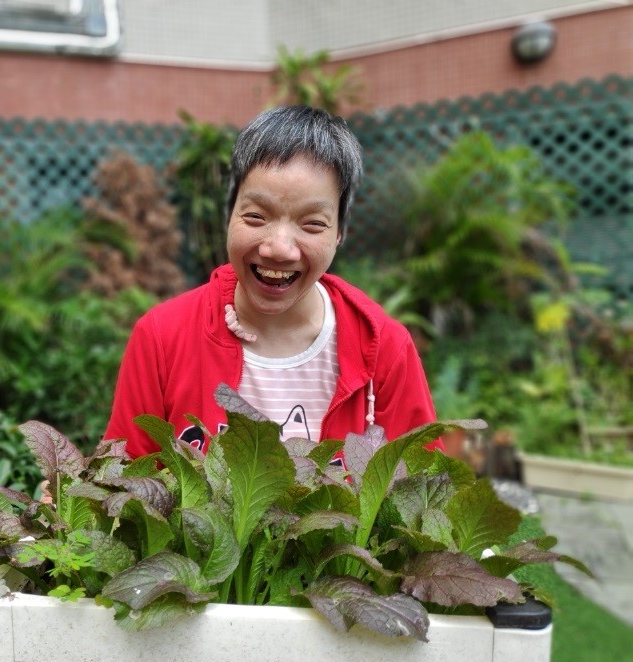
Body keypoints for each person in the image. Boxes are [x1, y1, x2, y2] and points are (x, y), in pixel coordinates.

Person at [103, 105, 437, 460]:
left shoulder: (385, 349)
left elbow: (424, 491)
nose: (278, 248)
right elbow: (124, 480)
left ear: (340, 232)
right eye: (256, 217)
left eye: (312, 224)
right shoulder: (162, 338)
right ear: (230, 215)